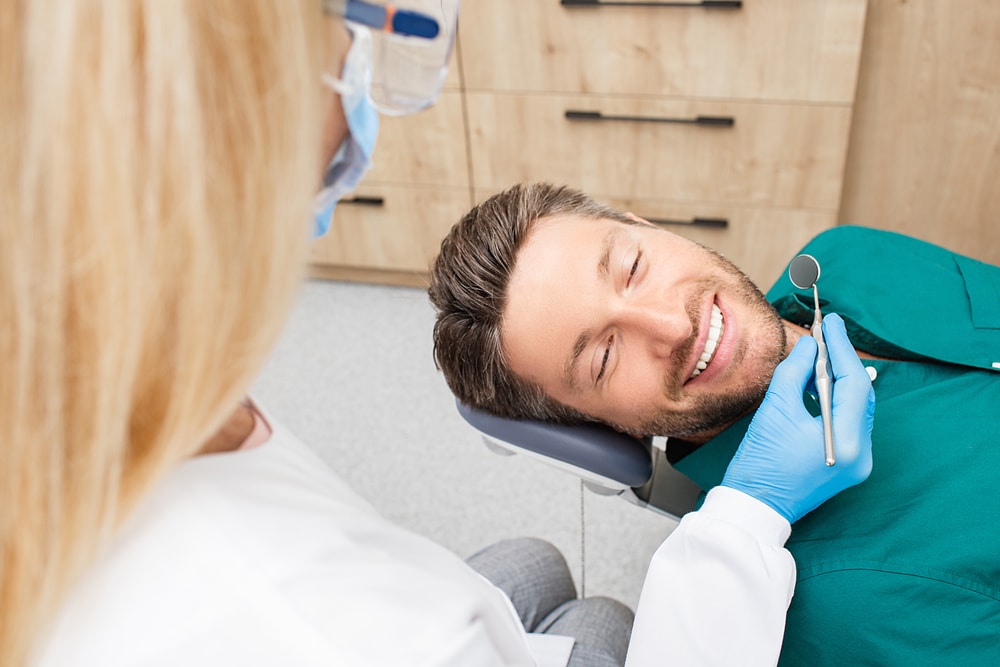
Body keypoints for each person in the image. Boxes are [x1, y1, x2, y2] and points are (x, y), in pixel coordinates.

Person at [2, 4, 872, 665]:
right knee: (604, 623)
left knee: (533, 567)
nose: (360, 45)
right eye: (332, 21)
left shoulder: (107, 356)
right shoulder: (297, 615)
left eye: (631, 263)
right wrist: (745, 522)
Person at [428, 182, 1000, 665]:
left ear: (646, 225)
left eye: (633, 266)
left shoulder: (845, 255)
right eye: (604, 357)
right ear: (600, 429)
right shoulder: (848, 605)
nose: (674, 326)